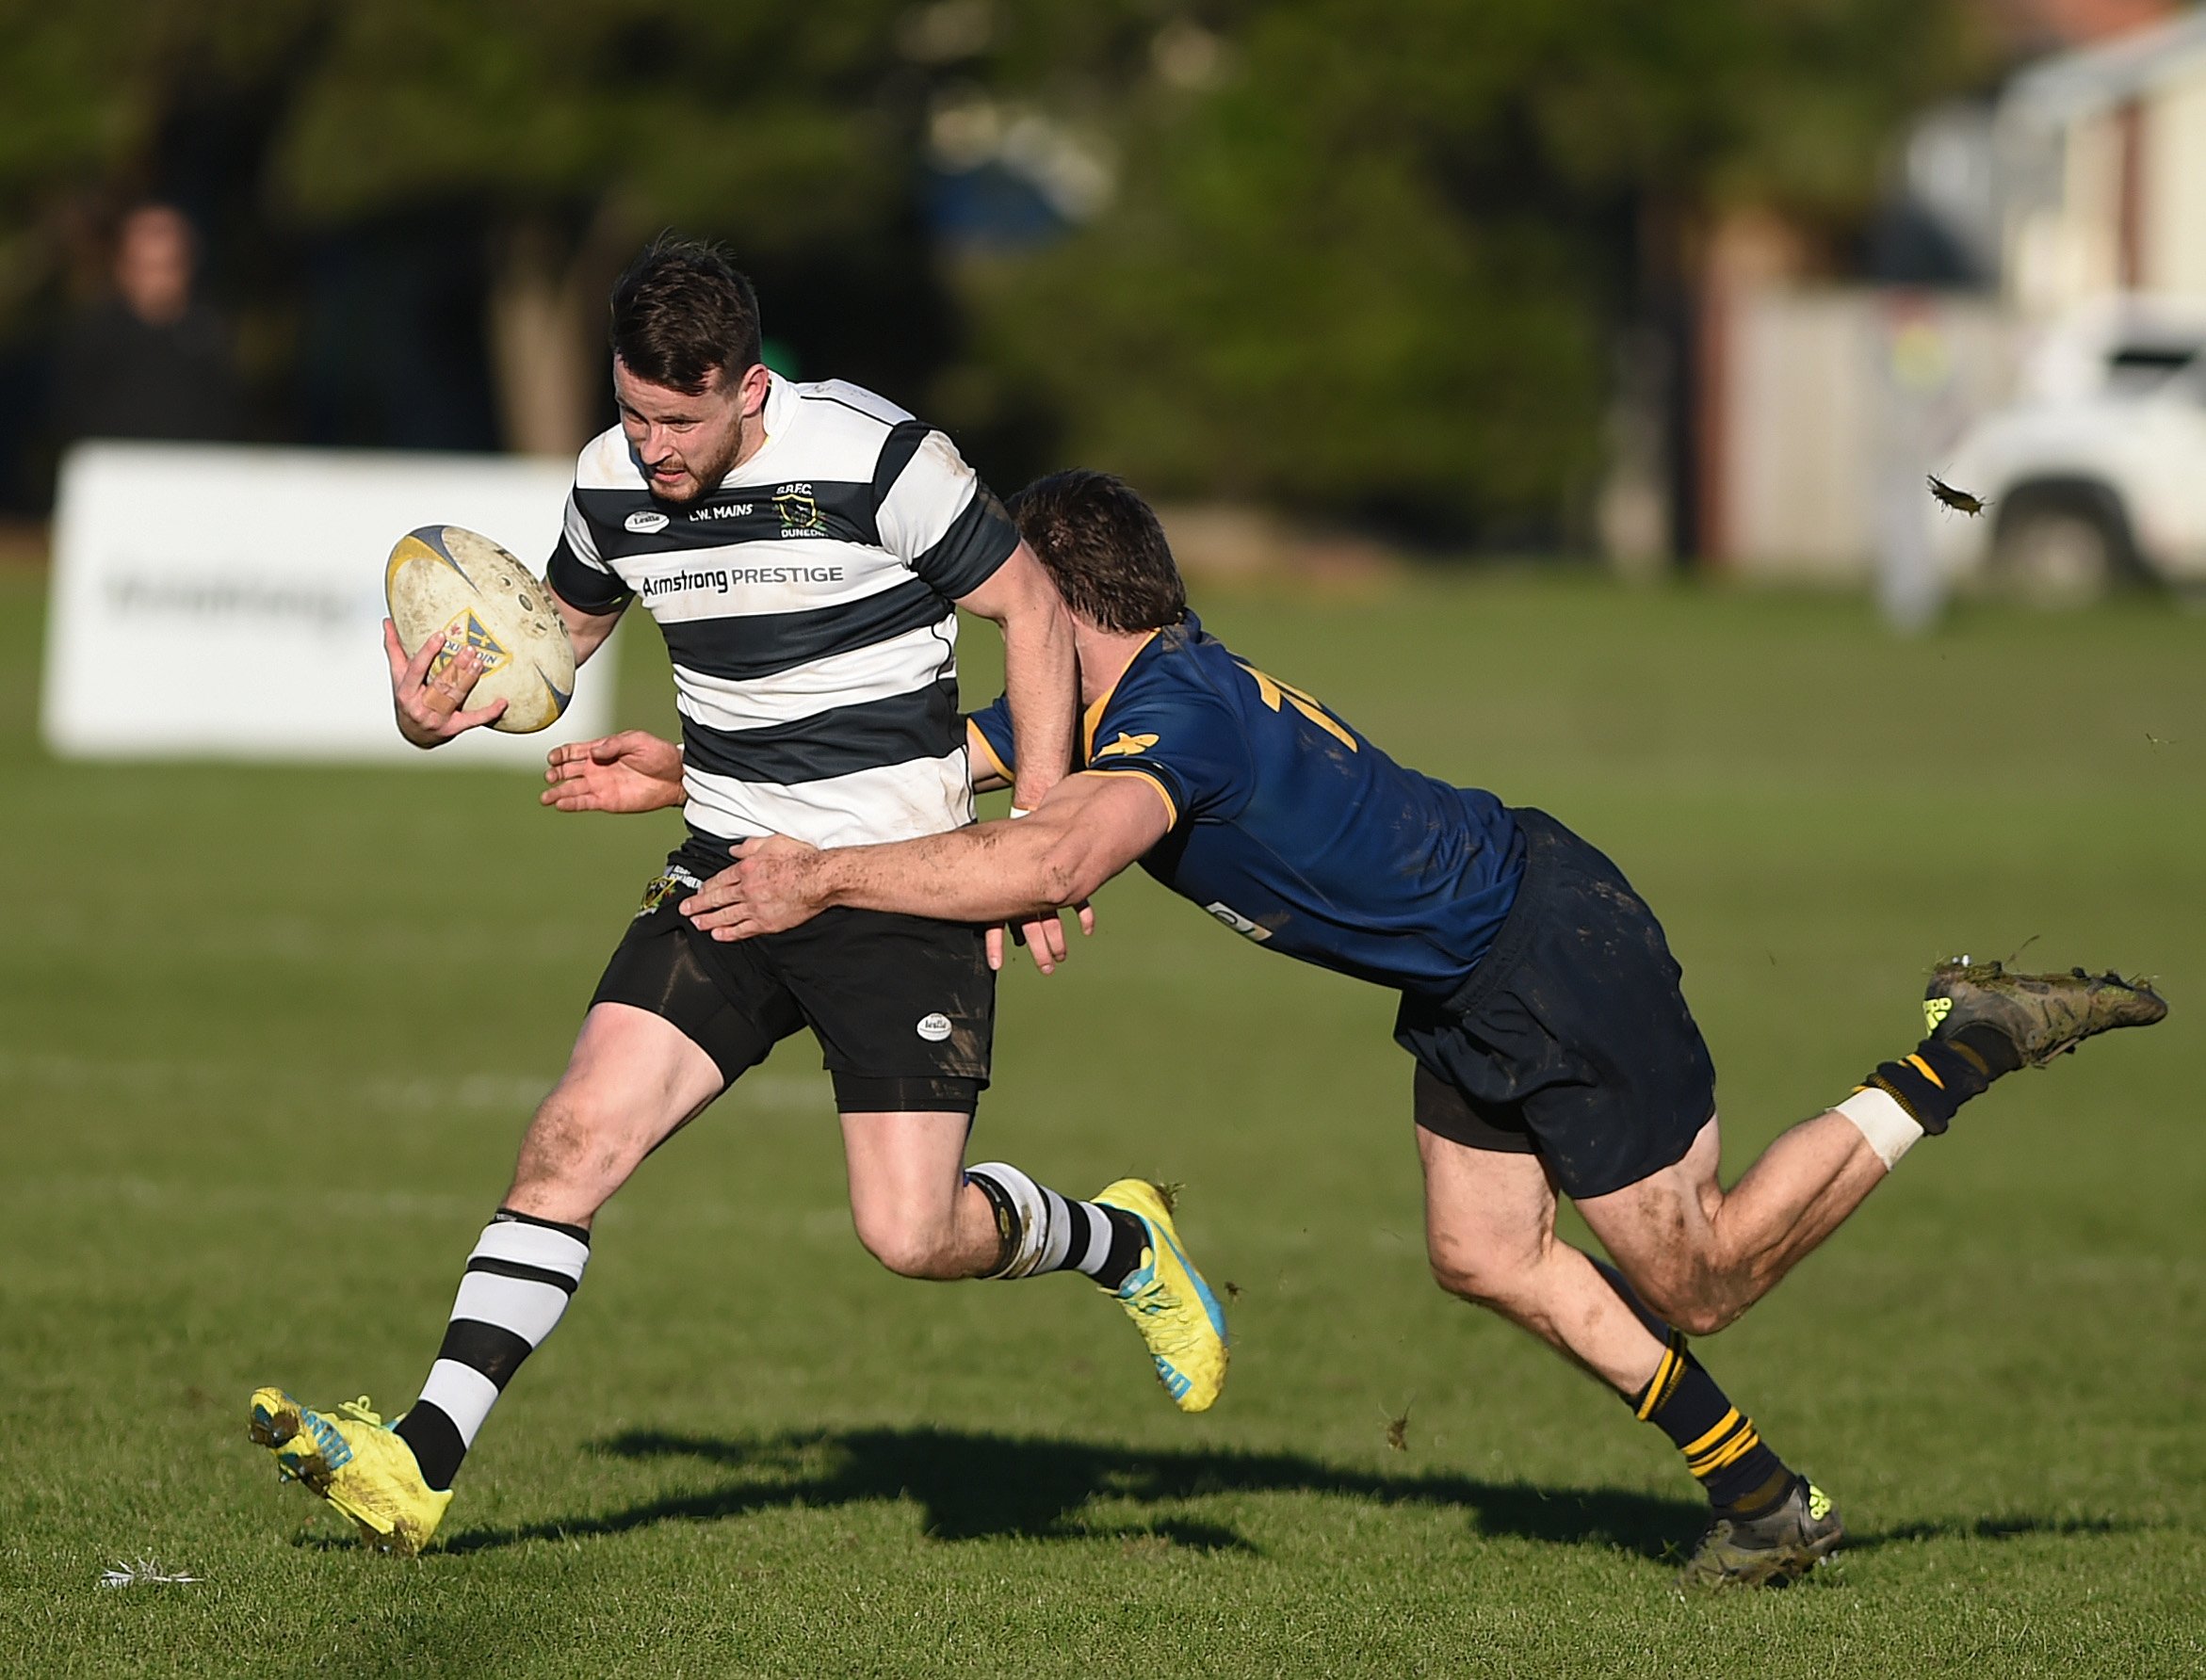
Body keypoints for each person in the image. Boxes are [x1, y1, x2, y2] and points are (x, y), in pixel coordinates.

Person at [583, 468, 2168, 1589]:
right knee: (1483, 1249)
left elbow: (1055, 850)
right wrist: (689, 771)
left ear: (1067, 608)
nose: (1002, 632)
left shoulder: (1173, 720)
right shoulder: (1130, 693)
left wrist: (819, 881)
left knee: (1700, 1270)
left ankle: (1956, 1046)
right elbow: (943, 763)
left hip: (1545, 952)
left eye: (1013, 606)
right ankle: (1761, 1497)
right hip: (1469, 974)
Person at [245, 245, 1227, 1558]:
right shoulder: (609, 482)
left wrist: (1039, 827)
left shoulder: (881, 461)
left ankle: (1117, 1242)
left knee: (910, 1231)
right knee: (570, 1138)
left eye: (677, 421)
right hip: (730, 872)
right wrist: (429, 713)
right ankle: (420, 1464)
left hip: (901, 886)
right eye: (631, 411)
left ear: (749, 388)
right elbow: (550, 652)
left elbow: (1032, 611)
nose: (648, 445)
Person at [55, 203, 242, 445]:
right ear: (122, 268)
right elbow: (68, 422)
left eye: (168, 266)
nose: (159, 281)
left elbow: (228, 424)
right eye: (147, 267)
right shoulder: (93, 338)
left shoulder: (211, 337)